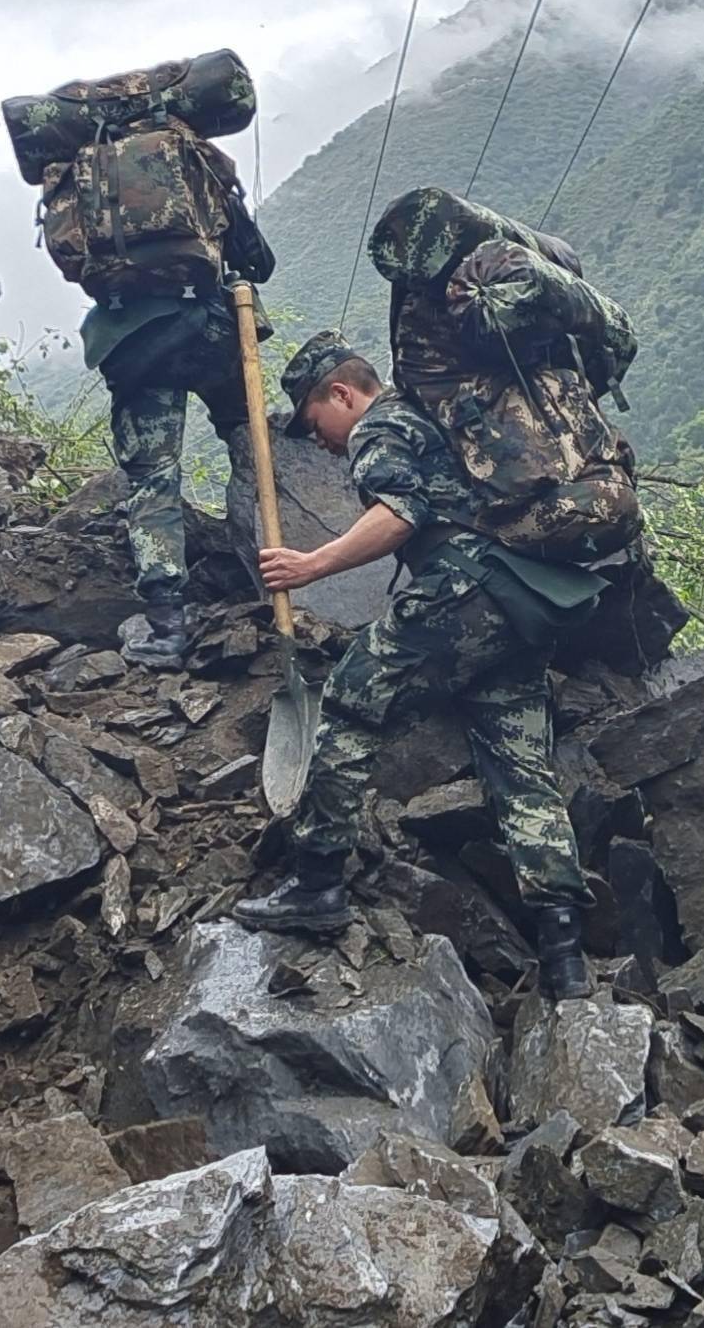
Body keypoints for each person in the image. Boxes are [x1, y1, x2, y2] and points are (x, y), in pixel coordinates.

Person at [235, 330, 599, 1001]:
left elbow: (399, 514)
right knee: (521, 773)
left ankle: (316, 882)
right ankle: (565, 949)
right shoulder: (435, 417)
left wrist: (311, 565)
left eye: (314, 422)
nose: (316, 440)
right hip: (519, 609)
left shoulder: (381, 428)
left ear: (341, 394)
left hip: (459, 596)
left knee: (347, 703)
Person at [73, 192, 275, 672]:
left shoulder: (81, 170)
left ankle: (167, 624)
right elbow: (258, 262)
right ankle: (285, 566)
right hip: (211, 329)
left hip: (133, 341)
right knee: (250, 440)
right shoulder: (198, 160)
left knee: (154, 477)